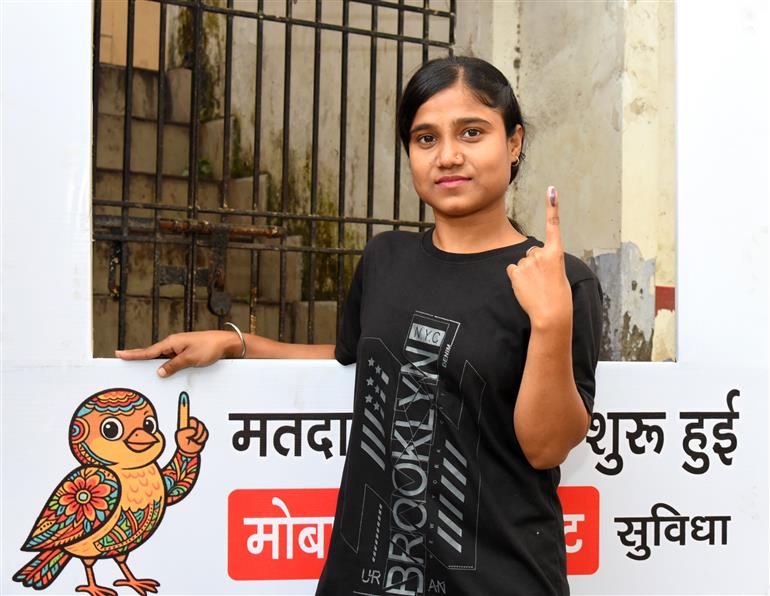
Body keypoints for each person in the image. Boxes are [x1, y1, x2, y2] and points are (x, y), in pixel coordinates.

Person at [117, 55, 603, 595]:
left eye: (472, 132)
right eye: (425, 139)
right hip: (368, 577)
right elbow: (357, 360)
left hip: (499, 577)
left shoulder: (561, 281)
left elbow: (547, 446)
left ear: (513, 143)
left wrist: (552, 320)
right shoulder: (386, 258)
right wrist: (236, 342)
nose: (448, 156)